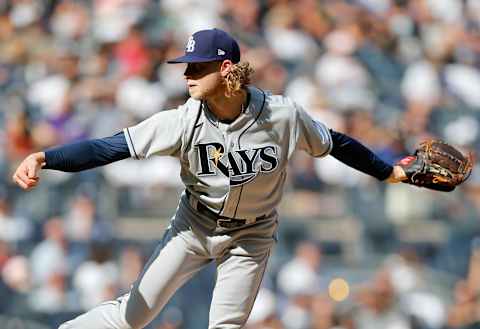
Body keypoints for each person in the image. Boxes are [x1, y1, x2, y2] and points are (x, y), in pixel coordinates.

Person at [12, 28, 407, 329]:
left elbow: (335, 143)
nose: (187, 74)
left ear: (226, 69)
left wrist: (389, 172)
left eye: (197, 66)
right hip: (194, 225)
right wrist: (46, 157)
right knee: (134, 314)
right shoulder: (183, 120)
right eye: (186, 66)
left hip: (251, 236)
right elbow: (108, 148)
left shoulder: (282, 116)